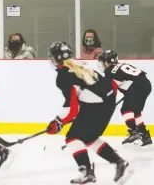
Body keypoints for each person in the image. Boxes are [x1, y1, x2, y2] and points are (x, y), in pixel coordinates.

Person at [46, 41, 133, 184]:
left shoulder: (63, 76)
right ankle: (120, 163)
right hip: (107, 102)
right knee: (88, 137)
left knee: (72, 137)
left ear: (55, 59)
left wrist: (58, 122)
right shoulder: (79, 65)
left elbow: (72, 109)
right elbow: (103, 85)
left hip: (96, 105)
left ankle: (86, 171)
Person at [98, 50, 152, 146]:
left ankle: (134, 132)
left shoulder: (110, 72)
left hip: (137, 87)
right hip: (146, 84)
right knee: (135, 111)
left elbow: (112, 90)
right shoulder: (121, 65)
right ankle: (145, 135)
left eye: (104, 62)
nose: (102, 65)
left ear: (111, 61)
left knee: (125, 109)